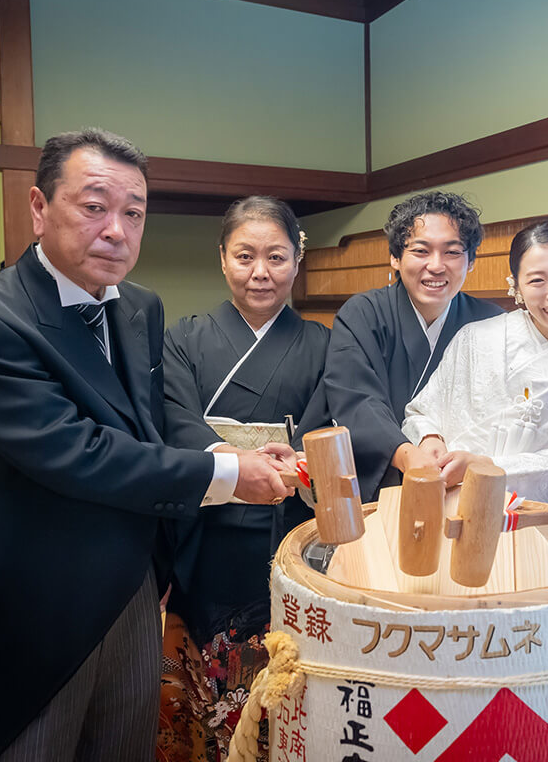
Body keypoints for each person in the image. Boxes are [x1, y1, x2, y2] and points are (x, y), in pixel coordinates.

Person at [0, 129, 294, 762]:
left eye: (133, 212)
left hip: (129, 582)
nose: (116, 230)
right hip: (27, 596)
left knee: (121, 745)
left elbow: (150, 422)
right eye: (94, 206)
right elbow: (75, 451)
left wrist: (224, 455)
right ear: (39, 207)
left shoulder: (138, 307)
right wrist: (228, 476)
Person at [156, 197, 329, 760]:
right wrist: (233, 461)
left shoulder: (323, 345)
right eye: (245, 256)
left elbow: (330, 423)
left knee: (279, 686)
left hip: (285, 531)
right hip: (205, 534)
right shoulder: (183, 338)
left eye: (276, 257)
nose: (261, 272)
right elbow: (172, 417)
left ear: (296, 261)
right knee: (200, 689)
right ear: (222, 259)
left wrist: (295, 457)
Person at [281, 191, 502, 536]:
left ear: (471, 261)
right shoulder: (363, 314)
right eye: (420, 250)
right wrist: (408, 455)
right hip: (380, 491)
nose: (436, 265)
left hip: (461, 493)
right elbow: (356, 399)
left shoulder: (492, 324)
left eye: (452, 251)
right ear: (395, 258)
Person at [402, 220, 548, 500]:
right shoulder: (475, 338)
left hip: (536, 515)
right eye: (537, 280)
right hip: (450, 500)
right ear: (515, 285)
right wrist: (430, 438)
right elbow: (423, 412)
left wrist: (488, 467)